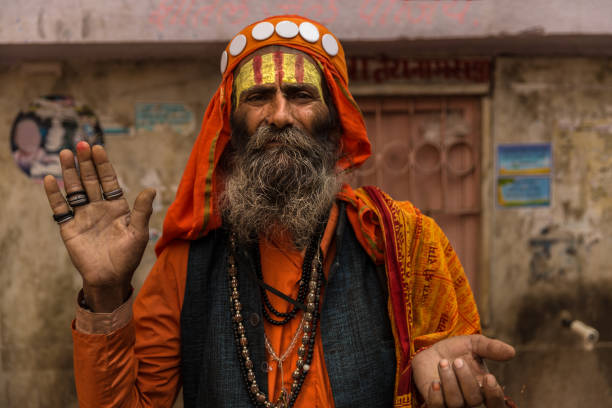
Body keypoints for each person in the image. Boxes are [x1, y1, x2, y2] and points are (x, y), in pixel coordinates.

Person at [43, 15, 516, 408]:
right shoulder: (187, 264)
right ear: (232, 127)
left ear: (334, 122)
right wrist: (104, 293)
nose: (280, 115)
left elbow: (452, 382)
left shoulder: (400, 243)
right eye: (258, 97)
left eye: (301, 95)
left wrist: (449, 392)